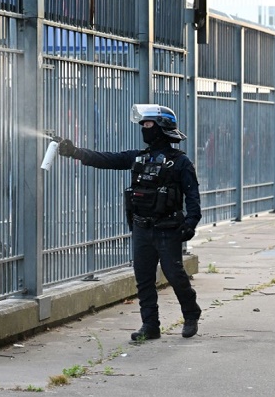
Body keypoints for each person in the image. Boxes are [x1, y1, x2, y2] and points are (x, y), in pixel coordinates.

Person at [57, 104, 202, 340]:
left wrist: (191, 222)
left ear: (162, 127)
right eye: (142, 125)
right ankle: (150, 325)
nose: (143, 129)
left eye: (147, 125)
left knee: (175, 275)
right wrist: (75, 152)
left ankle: (191, 313)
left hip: (167, 229)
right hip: (142, 227)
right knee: (143, 278)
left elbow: (192, 195)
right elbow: (107, 159)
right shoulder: (139, 157)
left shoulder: (180, 162)